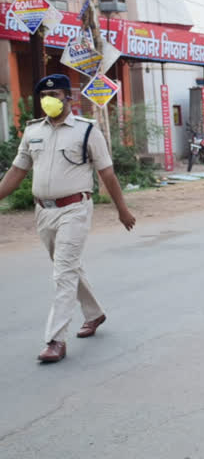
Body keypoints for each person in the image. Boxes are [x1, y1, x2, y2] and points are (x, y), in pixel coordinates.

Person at [0, 74, 136, 363]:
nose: (50, 100)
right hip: (43, 212)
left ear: (68, 98)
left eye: (57, 95)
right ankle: (95, 313)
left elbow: (107, 173)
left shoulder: (87, 131)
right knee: (68, 267)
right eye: (45, 97)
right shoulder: (33, 131)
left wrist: (121, 209)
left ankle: (55, 340)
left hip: (75, 209)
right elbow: (16, 172)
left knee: (62, 272)